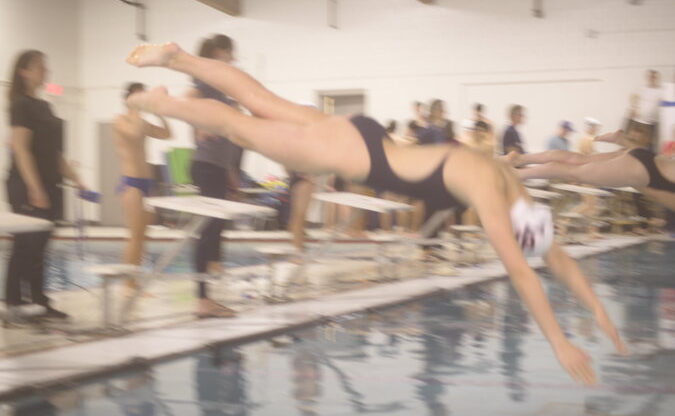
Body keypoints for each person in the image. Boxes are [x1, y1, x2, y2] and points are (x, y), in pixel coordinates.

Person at [125, 42, 629, 385]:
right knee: (240, 127)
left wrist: (598, 308)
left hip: (363, 134)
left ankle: (178, 58)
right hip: (355, 155)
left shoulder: (504, 180)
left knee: (258, 100)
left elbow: (553, 256)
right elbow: (523, 270)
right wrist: (559, 342)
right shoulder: (495, 192)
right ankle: (159, 103)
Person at [5, 50, 87, 320]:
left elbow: (55, 154)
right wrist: (35, 187)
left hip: (50, 184)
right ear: (24, 72)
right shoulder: (21, 105)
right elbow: (21, 149)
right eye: (40, 66)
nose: (46, 71)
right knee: (25, 244)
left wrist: (76, 179)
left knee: (41, 247)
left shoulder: (44, 106)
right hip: (27, 185)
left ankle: (39, 300)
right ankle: (14, 302)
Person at [186, 34, 242, 318]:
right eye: (231, 53)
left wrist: (231, 174)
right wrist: (199, 125)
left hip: (217, 167)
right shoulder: (207, 78)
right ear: (220, 52)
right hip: (207, 166)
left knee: (215, 231)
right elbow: (188, 98)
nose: (233, 59)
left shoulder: (218, 85)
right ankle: (203, 300)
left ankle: (207, 295)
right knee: (207, 233)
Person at [506, 129, 675, 211]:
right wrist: (634, 181)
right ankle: (517, 174)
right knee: (572, 172)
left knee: (578, 159)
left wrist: (624, 143)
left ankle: (519, 159)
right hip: (641, 171)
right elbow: (656, 194)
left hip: (646, 156)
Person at [114, 82, 171, 293]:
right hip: (131, 184)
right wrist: (137, 110)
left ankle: (135, 281)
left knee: (143, 237)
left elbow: (167, 134)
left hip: (148, 184)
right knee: (134, 236)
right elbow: (134, 133)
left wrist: (159, 113)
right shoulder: (120, 120)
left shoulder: (143, 123)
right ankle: (127, 284)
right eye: (140, 96)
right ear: (130, 99)